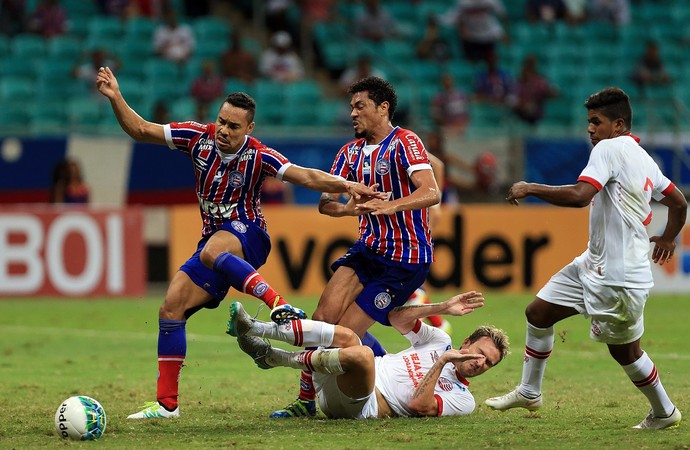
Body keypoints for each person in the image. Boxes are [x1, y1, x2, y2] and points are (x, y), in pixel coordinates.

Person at [95, 66, 385, 419]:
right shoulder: (196, 137)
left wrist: (348, 186)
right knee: (171, 307)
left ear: (249, 129)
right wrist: (115, 96)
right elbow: (140, 129)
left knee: (215, 248)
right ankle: (166, 405)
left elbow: (305, 175)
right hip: (213, 243)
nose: (224, 131)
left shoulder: (258, 155)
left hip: (250, 235)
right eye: (221, 121)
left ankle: (277, 303)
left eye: (234, 126)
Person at [485, 87, 687, 430]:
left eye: (597, 122)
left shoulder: (609, 149)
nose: (590, 129)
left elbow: (581, 196)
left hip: (619, 279)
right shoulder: (644, 158)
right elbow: (679, 202)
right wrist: (668, 238)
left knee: (625, 353)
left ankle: (665, 412)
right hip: (592, 264)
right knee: (538, 312)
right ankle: (530, 391)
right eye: (588, 122)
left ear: (619, 124)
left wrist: (531, 187)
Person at [271, 76, 441, 418]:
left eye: (360, 106)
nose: (353, 113)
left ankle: (382, 375)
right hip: (367, 250)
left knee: (343, 335)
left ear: (383, 108)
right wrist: (351, 207)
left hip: (404, 261)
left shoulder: (405, 142)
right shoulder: (349, 152)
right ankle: (306, 401)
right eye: (351, 107)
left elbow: (431, 192)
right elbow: (325, 203)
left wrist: (389, 205)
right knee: (322, 320)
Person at [227, 291, 510, 418]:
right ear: (467, 341)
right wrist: (443, 308)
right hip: (338, 372)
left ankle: (276, 358)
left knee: (362, 354)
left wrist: (443, 361)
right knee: (348, 331)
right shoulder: (440, 340)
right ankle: (256, 329)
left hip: (361, 403)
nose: (480, 363)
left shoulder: (464, 399)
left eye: (489, 363)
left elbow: (418, 406)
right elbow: (396, 317)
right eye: (480, 353)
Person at [510, 54, 558, 126]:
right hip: (519, 114)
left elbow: (553, 93)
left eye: (532, 64)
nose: (529, 67)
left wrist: (549, 92)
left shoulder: (540, 81)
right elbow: (511, 100)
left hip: (536, 115)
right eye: (528, 64)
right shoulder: (517, 82)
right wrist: (524, 105)